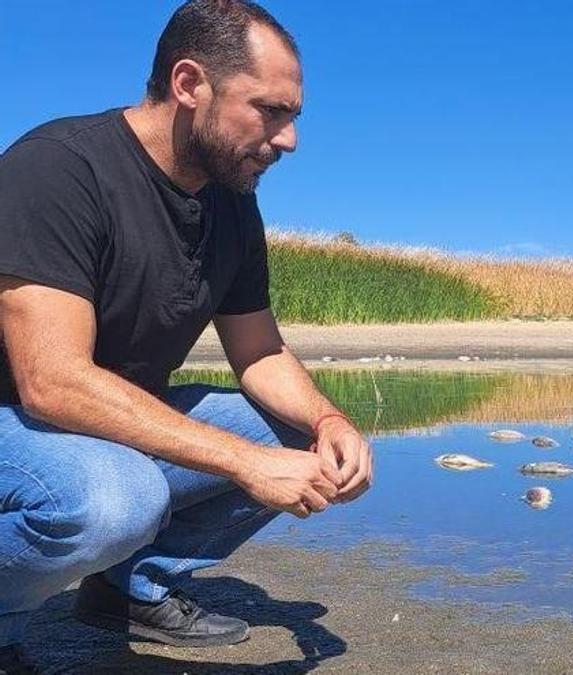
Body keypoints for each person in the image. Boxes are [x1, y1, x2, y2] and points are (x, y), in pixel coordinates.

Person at [0, 1, 372, 671]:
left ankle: (128, 588)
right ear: (189, 83)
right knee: (118, 498)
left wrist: (328, 418)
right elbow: (50, 383)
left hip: (95, 420)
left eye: (293, 116)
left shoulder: (231, 200)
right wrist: (242, 461)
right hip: (16, 416)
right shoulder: (58, 168)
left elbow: (258, 350)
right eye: (269, 110)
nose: (288, 140)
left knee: (295, 435)